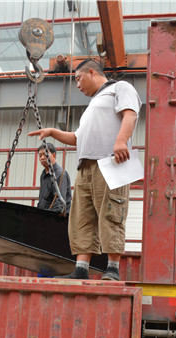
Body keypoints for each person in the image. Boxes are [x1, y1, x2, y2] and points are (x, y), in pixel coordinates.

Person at [29, 59, 141, 281]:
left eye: (79, 79)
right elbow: (77, 138)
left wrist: (121, 140)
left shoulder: (120, 88)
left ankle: (112, 269)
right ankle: (81, 267)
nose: (77, 85)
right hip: (85, 167)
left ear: (92, 72)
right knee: (82, 217)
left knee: (112, 213)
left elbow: (130, 114)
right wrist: (52, 131)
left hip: (109, 162)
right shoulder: (93, 105)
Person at [37, 142, 72, 214]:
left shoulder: (60, 174)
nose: (42, 158)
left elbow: (59, 204)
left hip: (56, 219)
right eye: (40, 155)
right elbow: (42, 200)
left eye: (45, 154)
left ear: (54, 155)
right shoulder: (43, 174)